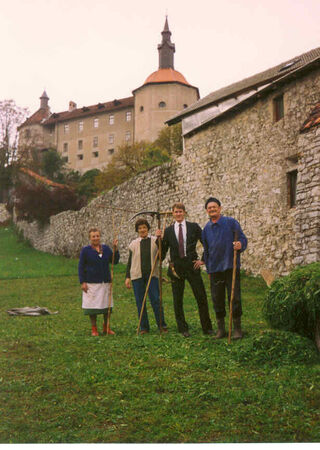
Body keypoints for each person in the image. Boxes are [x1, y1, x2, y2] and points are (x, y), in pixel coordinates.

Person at [156, 202, 213, 337]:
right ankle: (183, 328)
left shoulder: (193, 227)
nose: (178, 214)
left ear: (184, 213)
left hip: (192, 266)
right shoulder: (168, 231)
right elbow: (162, 253)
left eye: (181, 211)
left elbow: (206, 243)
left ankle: (207, 328)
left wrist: (203, 259)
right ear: (173, 214)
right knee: (178, 299)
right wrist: (158, 239)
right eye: (176, 212)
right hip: (176, 268)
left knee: (201, 297)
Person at [202, 197, 247, 339]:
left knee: (234, 298)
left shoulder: (231, 223)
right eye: (209, 208)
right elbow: (207, 251)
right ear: (206, 211)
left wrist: (240, 244)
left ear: (220, 208)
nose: (212, 209)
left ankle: (237, 329)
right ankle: (221, 329)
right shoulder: (206, 229)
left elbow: (243, 239)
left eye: (214, 207)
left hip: (230, 266)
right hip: (215, 269)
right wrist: (209, 269)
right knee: (217, 298)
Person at [125, 218, 167, 335]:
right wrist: (127, 277)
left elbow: (161, 255)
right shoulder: (133, 244)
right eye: (140, 228)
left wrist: (160, 239)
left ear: (148, 229)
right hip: (137, 276)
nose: (142, 230)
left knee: (155, 300)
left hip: (152, 275)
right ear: (137, 230)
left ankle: (161, 325)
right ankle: (144, 327)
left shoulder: (155, 240)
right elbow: (130, 261)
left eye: (144, 227)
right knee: (140, 302)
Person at [78, 227, 119, 336]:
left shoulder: (105, 249)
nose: (96, 238)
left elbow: (114, 261)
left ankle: (106, 327)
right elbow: (81, 267)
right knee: (93, 307)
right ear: (90, 238)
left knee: (107, 306)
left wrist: (115, 249)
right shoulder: (85, 251)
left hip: (105, 282)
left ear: (100, 237)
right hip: (92, 283)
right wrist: (83, 282)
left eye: (97, 236)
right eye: (93, 236)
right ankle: (94, 329)